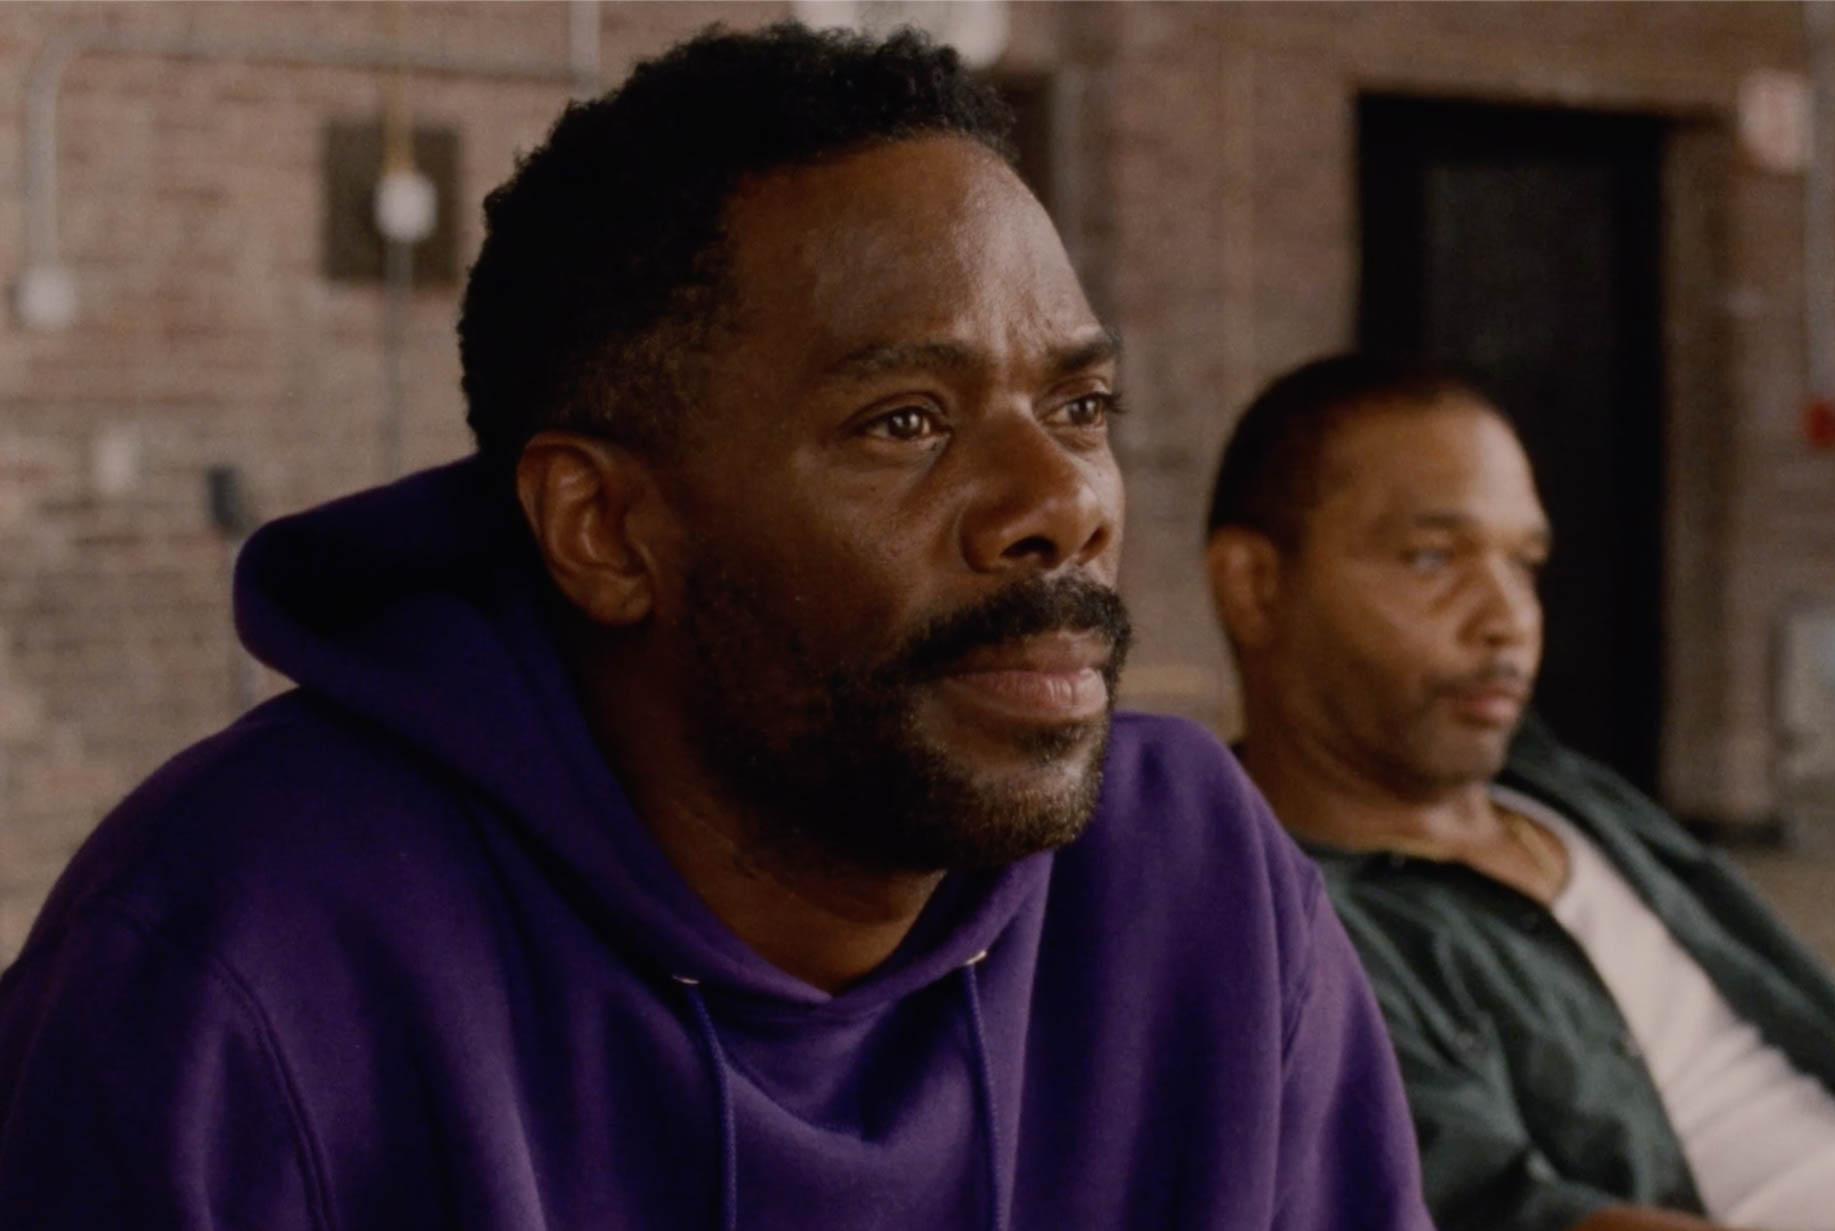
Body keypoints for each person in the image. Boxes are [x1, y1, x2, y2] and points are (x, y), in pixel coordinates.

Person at [0, 29, 1434, 1231]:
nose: (1060, 503)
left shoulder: (1191, 873)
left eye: (1079, 407)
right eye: (906, 421)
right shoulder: (235, 956)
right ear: (607, 530)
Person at [1203, 354, 1835, 1231]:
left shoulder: (1551, 789)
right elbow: (1503, 1209)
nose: (1509, 618)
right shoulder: (1283, 929)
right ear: (1255, 586)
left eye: (1525, 564)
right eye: (1431, 557)